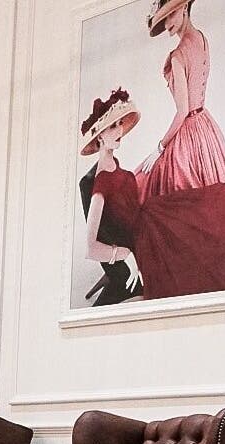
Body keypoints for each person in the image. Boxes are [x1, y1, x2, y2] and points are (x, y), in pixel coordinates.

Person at [131, 0, 225, 298]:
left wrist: (159, 147)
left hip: (190, 128)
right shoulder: (202, 38)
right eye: (162, 20)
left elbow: (182, 112)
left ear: (185, 8)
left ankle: (171, 267)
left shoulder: (178, 56)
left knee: (150, 187)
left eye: (170, 16)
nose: (167, 25)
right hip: (206, 127)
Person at [77, 88, 145, 306]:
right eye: (112, 126)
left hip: (140, 246)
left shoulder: (124, 174)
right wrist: (124, 255)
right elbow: (91, 248)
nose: (119, 130)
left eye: (119, 124)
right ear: (99, 135)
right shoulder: (99, 183)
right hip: (126, 260)